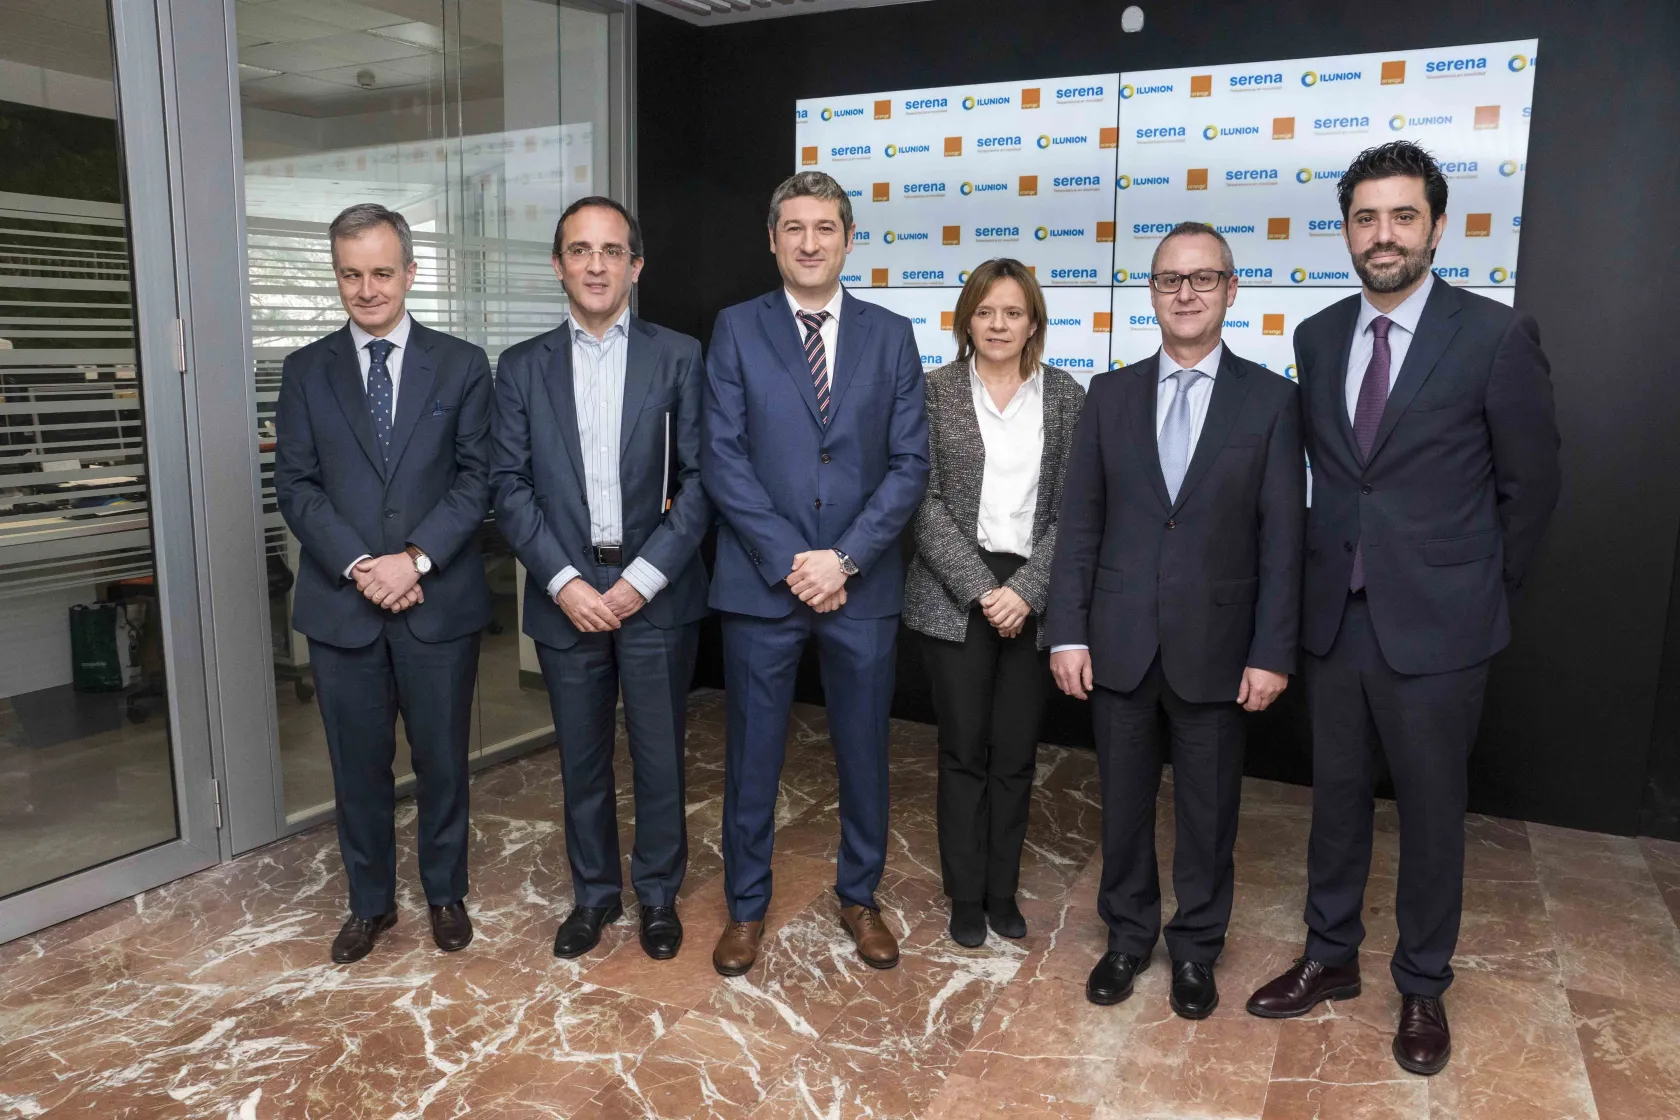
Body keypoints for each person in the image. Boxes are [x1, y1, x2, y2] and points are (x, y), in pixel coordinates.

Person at [1246, 141, 1560, 1075]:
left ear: (1436, 225)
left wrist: (1477, 597)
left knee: (1431, 811)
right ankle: (1330, 956)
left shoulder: (1496, 336)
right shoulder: (1316, 335)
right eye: (1365, 218)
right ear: (1346, 229)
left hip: (1443, 628)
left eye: (1402, 216)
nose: (1382, 236)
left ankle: (1422, 983)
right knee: (1335, 802)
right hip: (1336, 620)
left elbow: (1532, 490)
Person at [1047, 222, 1304, 1018]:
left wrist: (1271, 651)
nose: (1185, 294)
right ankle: (1127, 938)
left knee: (1208, 811)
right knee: (1121, 807)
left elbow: (1284, 539)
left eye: (1202, 279)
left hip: (1221, 650)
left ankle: (1197, 948)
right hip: (1118, 643)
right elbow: (1081, 521)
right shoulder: (1111, 394)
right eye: (1169, 281)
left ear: (1232, 290)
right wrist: (1067, 630)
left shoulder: (1273, 399)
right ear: (1151, 294)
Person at [702, 171, 930, 977]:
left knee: (864, 749)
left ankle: (860, 896)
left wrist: (846, 558)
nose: (808, 242)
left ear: (847, 238)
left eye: (825, 227)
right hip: (763, 582)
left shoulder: (892, 333)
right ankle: (746, 906)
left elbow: (909, 466)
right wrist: (794, 560)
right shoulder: (735, 329)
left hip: (859, 583)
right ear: (773, 239)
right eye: (793, 227)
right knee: (752, 754)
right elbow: (721, 458)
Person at [490, 197, 711, 962]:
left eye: (611, 251)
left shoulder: (678, 356)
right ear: (559, 265)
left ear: (635, 266)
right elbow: (508, 487)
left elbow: (702, 478)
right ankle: (592, 896)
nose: (595, 264)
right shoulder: (520, 367)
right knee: (581, 762)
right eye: (580, 250)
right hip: (568, 599)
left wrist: (642, 580)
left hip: (655, 594)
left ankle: (657, 896)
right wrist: (563, 583)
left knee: (658, 757)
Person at [274, 203, 492, 963]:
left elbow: (478, 478)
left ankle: (444, 893)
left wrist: (415, 558)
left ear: (410, 272)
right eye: (351, 274)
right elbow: (296, 487)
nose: (367, 290)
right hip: (344, 606)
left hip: (437, 600)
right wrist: (363, 565)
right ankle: (370, 904)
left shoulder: (462, 364)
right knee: (357, 769)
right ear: (337, 275)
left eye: (381, 272)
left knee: (442, 763)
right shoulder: (305, 371)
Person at [902, 259, 1085, 948]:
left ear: (1033, 321)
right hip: (955, 595)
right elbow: (922, 503)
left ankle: (1003, 891)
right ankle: (965, 896)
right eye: (986, 312)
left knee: (1014, 752)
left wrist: (1025, 591)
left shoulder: (1067, 397)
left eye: (1013, 312)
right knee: (962, 752)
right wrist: (982, 588)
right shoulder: (932, 391)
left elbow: (1077, 510)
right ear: (967, 321)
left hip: (1033, 594)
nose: (999, 324)